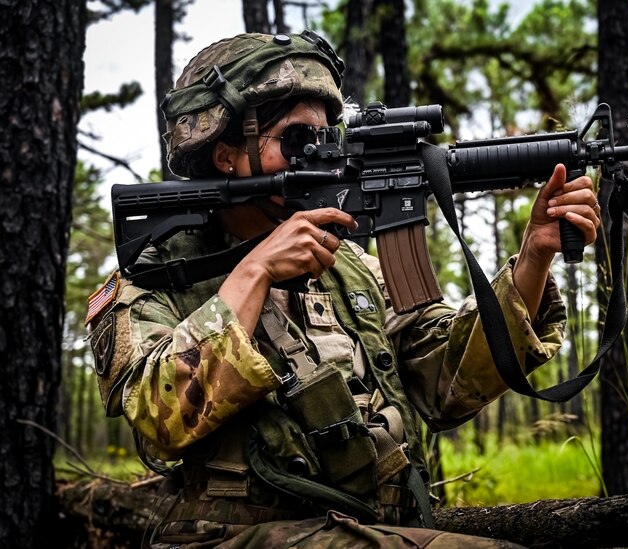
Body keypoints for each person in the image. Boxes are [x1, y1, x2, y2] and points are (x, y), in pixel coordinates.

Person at [86, 30, 601, 548]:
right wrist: (254, 272)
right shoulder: (153, 277)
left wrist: (534, 256)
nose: (320, 152)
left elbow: (447, 385)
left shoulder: (348, 266)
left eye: (326, 135)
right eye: (295, 140)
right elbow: (161, 417)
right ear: (225, 154)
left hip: (366, 527)